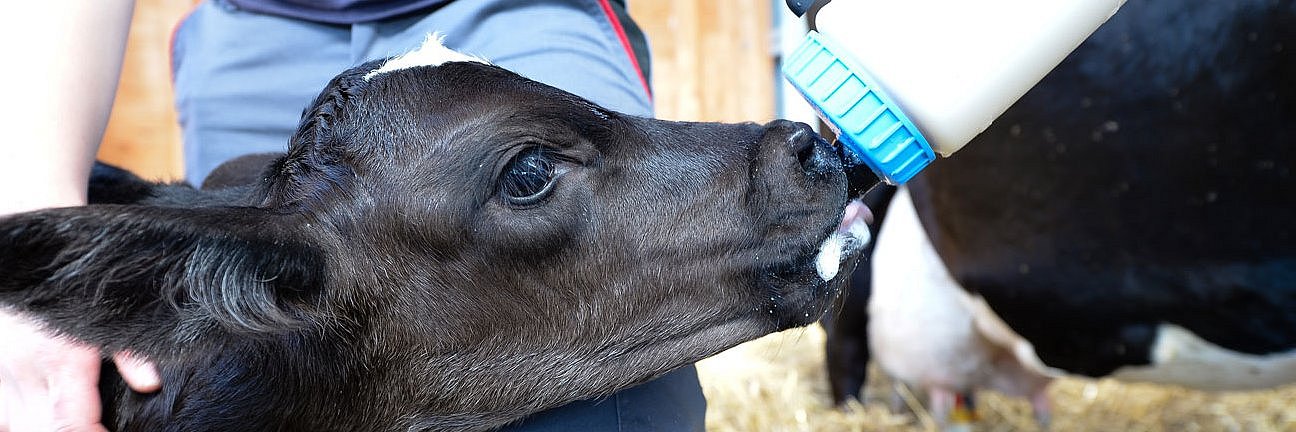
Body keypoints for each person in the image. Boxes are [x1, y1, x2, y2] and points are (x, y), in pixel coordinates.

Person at [0, 1, 705, 430]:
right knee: (248, 370)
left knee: (599, 392)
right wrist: (29, 247)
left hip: (519, 11)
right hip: (261, 23)